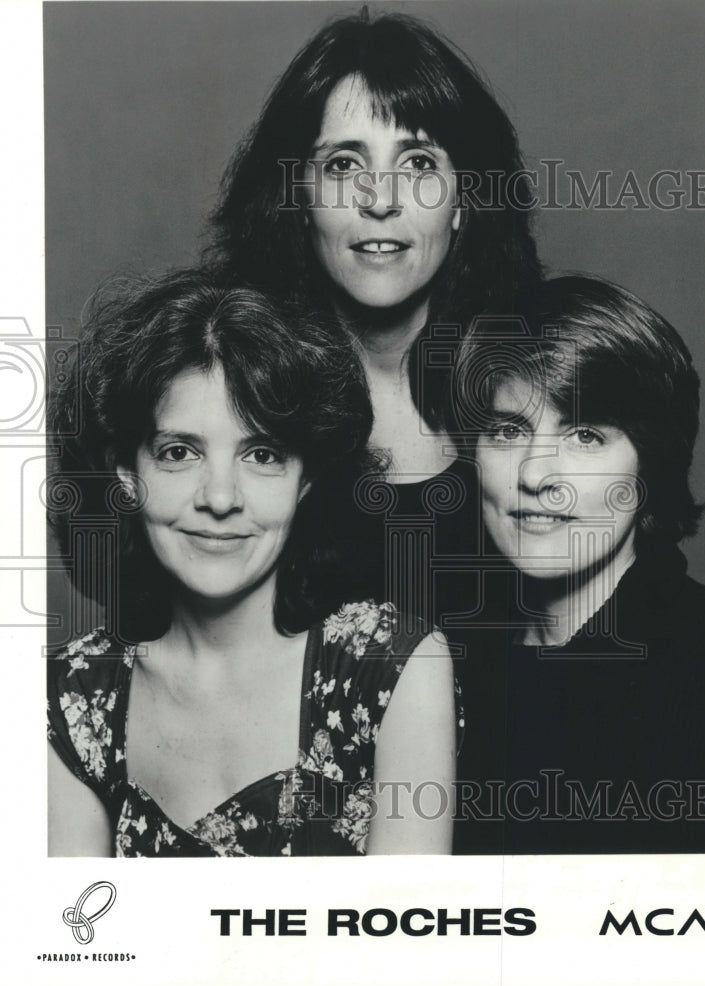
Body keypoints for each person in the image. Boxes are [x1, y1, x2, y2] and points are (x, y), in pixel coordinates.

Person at [47, 270, 456, 857]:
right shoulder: (66, 697)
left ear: (306, 478)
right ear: (126, 473)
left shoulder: (392, 669)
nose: (219, 497)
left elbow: (405, 941)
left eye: (262, 454)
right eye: (179, 452)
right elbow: (82, 942)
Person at [205, 10, 542, 631]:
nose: (381, 199)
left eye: (417, 164)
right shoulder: (230, 389)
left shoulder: (531, 383)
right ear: (298, 200)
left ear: (465, 200)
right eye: (342, 166)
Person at [451, 275, 705, 853]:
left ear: (651, 465)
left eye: (584, 436)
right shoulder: (442, 663)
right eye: (507, 431)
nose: (533, 473)